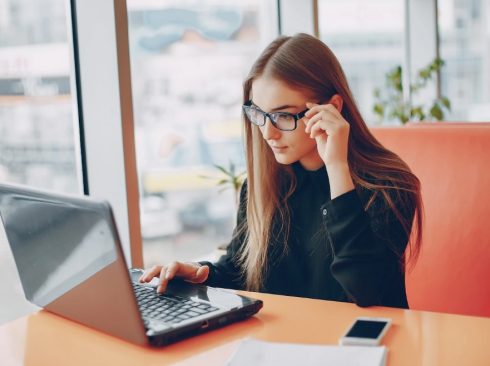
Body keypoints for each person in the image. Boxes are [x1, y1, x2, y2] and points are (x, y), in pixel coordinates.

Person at [139, 33, 423, 308]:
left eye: (283, 115)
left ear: (331, 108)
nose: (268, 133)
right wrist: (200, 272)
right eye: (259, 114)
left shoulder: (389, 185)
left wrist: (337, 167)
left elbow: (365, 290)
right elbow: (243, 270)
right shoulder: (264, 183)